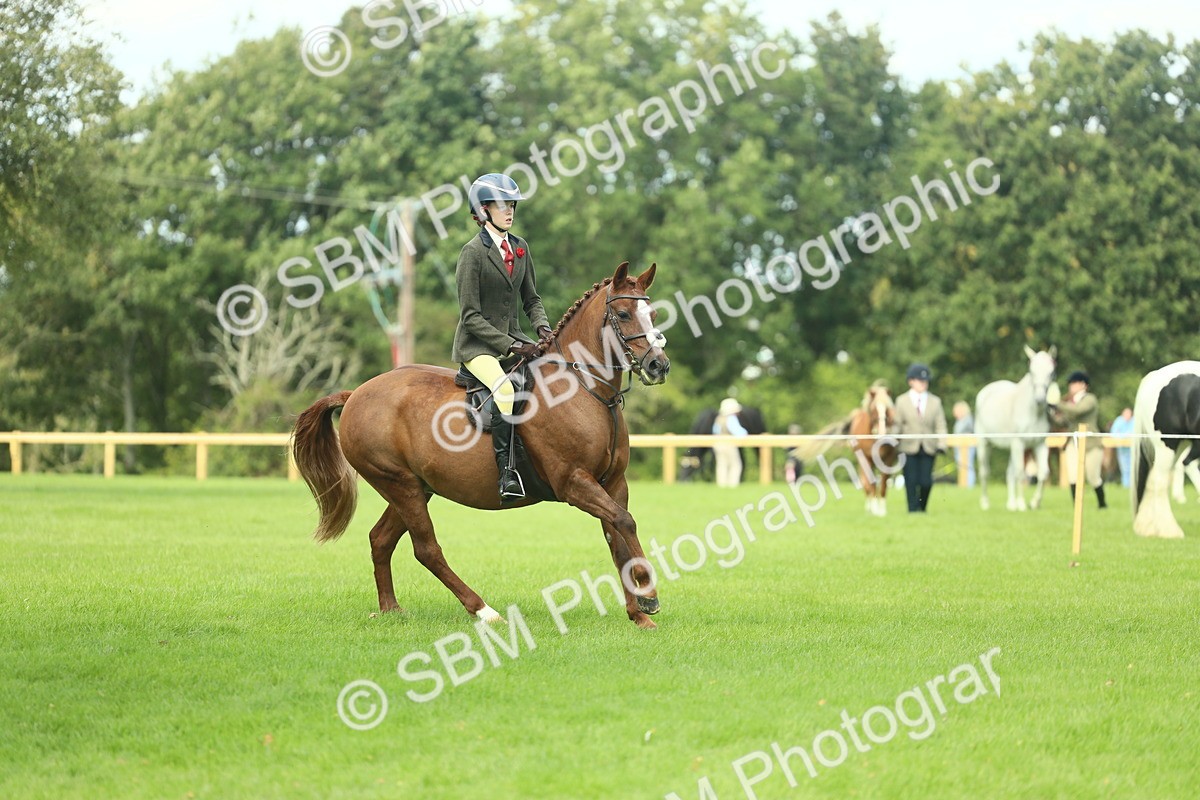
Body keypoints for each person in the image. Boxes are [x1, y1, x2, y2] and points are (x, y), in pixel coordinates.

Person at [451, 173, 553, 500]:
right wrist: (511, 345)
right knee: (506, 390)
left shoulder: (520, 247)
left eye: (511, 204)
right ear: (483, 211)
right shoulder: (472, 253)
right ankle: (506, 474)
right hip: (477, 347)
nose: (509, 210)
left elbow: (532, 299)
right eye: (501, 205)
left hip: (516, 339)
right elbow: (470, 316)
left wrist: (543, 328)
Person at [893, 363, 948, 512]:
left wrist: (942, 444)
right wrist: (891, 439)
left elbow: (940, 425)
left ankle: (922, 508)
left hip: (928, 447)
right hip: (907, 447)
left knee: (925, 482)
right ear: (911, 381)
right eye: (920, 380)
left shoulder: (935, 402)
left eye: (925, 380)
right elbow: (897, 424)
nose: (923, 383)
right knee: (910, 480)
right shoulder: (901, 401)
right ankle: (912, 510)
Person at [1052, 370, 1105, 508]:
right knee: (1073, 475)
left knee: (1093, 476)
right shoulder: (1069, 402)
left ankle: (1102, 504)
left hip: (1091, 443)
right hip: (1073, 442)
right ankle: (1077, 505)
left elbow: (1077, 411)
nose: (1071, 386)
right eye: (1071, 383)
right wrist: (1050, 412)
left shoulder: (1090, 399)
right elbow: (1062, 422)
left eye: (1074, 383)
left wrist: (1057, 403)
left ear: (1083, 385)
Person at [712, 398, 749, 488]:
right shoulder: (731, 418)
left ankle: (722, 484)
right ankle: (733, 484)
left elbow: (715, 431)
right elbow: (737, 431)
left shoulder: (719, 418)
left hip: (718, 443)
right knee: (735, 464)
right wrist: (745, 434)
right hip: (729, 444)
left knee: (721, 464)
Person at [952, 400, 976, 488]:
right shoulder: (959, 421)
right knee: (961, 466)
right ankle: (963, 484)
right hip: (959, 446)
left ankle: (969, 485)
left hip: (967, 446)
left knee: (967, 465)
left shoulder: (968, 420)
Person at [1109, 407, 1134, 488]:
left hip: (1132, 449)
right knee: (1124, 467)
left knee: (1132, 466)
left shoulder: (1134, 421)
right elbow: (1113, 433)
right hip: (1122, 448)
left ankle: (1133, 484)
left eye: (1129, 414)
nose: (1127, 416)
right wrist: (1123, 437)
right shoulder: (1119, 421)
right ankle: (1125, 484)